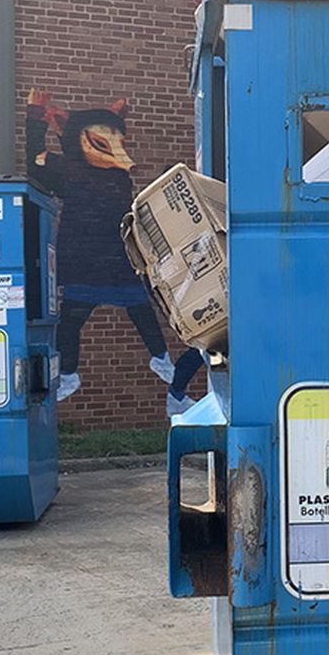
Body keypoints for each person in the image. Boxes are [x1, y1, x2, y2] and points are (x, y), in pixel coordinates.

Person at [26, 90, 204, 414]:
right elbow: (35, 158)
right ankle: (69, 373)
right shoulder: (69, 172)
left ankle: (160, 359)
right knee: (73, 320)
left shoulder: (119, 178)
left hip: (117, 256)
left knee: (139, 310)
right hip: (87, 258)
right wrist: (35, 117)